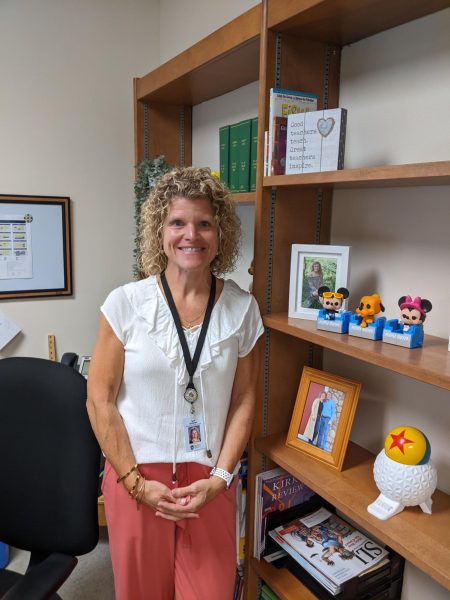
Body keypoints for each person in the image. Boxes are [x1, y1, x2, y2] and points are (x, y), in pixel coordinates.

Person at [86, 167, 264, 600]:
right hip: (136, 477)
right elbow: (99, 400)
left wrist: (221, 478)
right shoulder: (125, 304)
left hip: (210, 482)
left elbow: (244, 400)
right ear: (160, 231)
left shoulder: (241, 309)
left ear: (220, 233)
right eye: (178, 222)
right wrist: (134, 482)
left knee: (210, 593)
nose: (192, 235)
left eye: (205, 223)